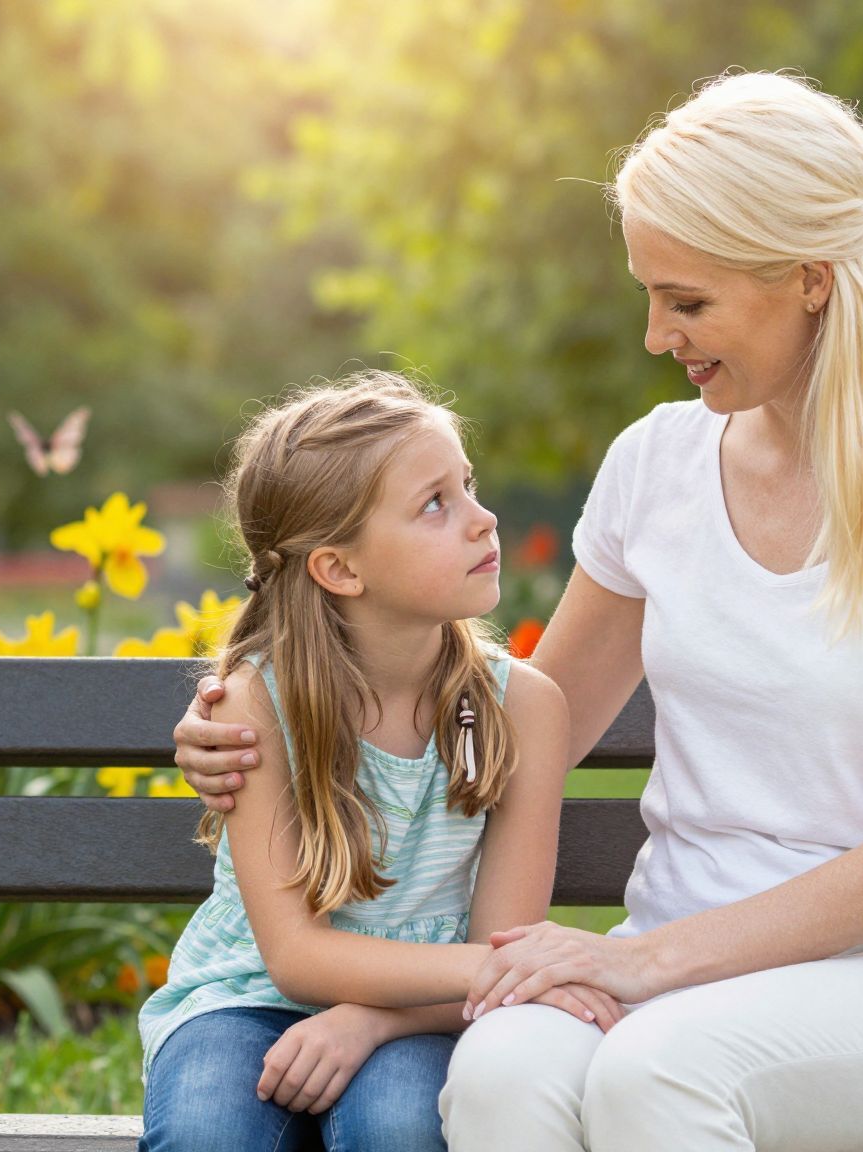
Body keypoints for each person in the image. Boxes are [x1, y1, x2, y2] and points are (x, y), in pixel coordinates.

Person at [172, 71, 863, 1151]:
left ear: (808, 278)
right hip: (673, 969)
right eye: (649, 295)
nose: (656, 336)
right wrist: (259, 723)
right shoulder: (656, 464)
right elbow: (502, 732)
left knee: (659, 1076)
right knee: (504, 1071)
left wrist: (638, 964)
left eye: (686, 301)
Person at [137, 373, 602, 1152]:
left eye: (469, 486)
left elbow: (502, 953)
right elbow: (295, 958)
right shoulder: (260, 705)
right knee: (205, 1133)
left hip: (429, 1011)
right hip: (244, 998)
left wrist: (371, 1022)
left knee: (398, 1128)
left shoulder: (523, 707)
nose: (484, 520)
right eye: (435, 504)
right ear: (340, 569)